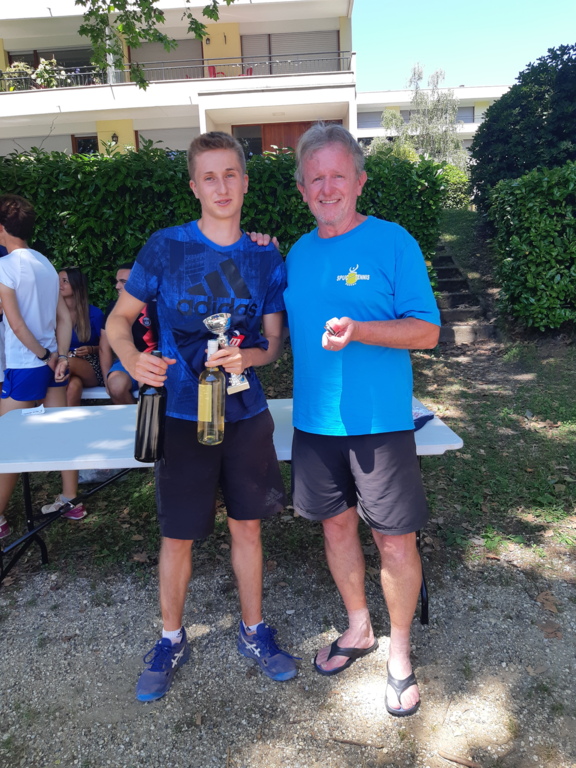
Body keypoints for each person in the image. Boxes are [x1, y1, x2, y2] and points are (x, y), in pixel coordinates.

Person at [106, 131, 297, 702]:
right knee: (177, 535)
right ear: (194, 187)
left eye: (230, 174)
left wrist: (250, 357)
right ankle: (170, 638)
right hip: (182, 414)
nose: (221, 186)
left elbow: (274, 345)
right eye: (209, 177)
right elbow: (118, 321)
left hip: (244, 413)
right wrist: (132, 359)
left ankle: (253, 631)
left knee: (248, 526)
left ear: (245, 181)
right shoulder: (165, 247)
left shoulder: (265, 256)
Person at [283, 123, 441, 717]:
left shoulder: (393, 242)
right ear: (302, 189)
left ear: (359, 181)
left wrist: (361, 330)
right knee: (335, 529)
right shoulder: (296, 253)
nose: (327, 188)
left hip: (380, 424)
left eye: (338, 176)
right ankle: (358, 628)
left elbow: (427, 331)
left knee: (393, 540)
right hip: (315, 423)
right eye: (315, 178)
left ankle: (399, 654)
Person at [0, 194, 83, 541]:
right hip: (50, 364)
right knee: (60, 431)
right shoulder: (46, 263)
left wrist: (44, 356)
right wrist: (60, 357)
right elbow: (64, 317)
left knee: (6, 444)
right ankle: (71, 499)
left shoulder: (5, 267)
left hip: (25, 364)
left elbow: (16, 324)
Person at [99, 263, 157, 404]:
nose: (117, 286)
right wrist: (107, 379)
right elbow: (104, 347)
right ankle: (134, 418)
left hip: (156, 360)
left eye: (123, 282)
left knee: (148, 385)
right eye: (117, 281)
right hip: (125, 360)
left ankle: (148, 417)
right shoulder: (113, 308)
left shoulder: (158, 306)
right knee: (116, 385)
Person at [58, 267, 105, 406]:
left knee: (66, 363)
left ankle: (46, 407)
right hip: (64, 363)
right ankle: (65, 420)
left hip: (90, 364)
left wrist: (91, 349)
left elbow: (109, 348)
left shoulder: (94, 314)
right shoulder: (52, 314)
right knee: (74, 386)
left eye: (65, 281)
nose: (59, 284)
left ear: (77, 285)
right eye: (57, 280)